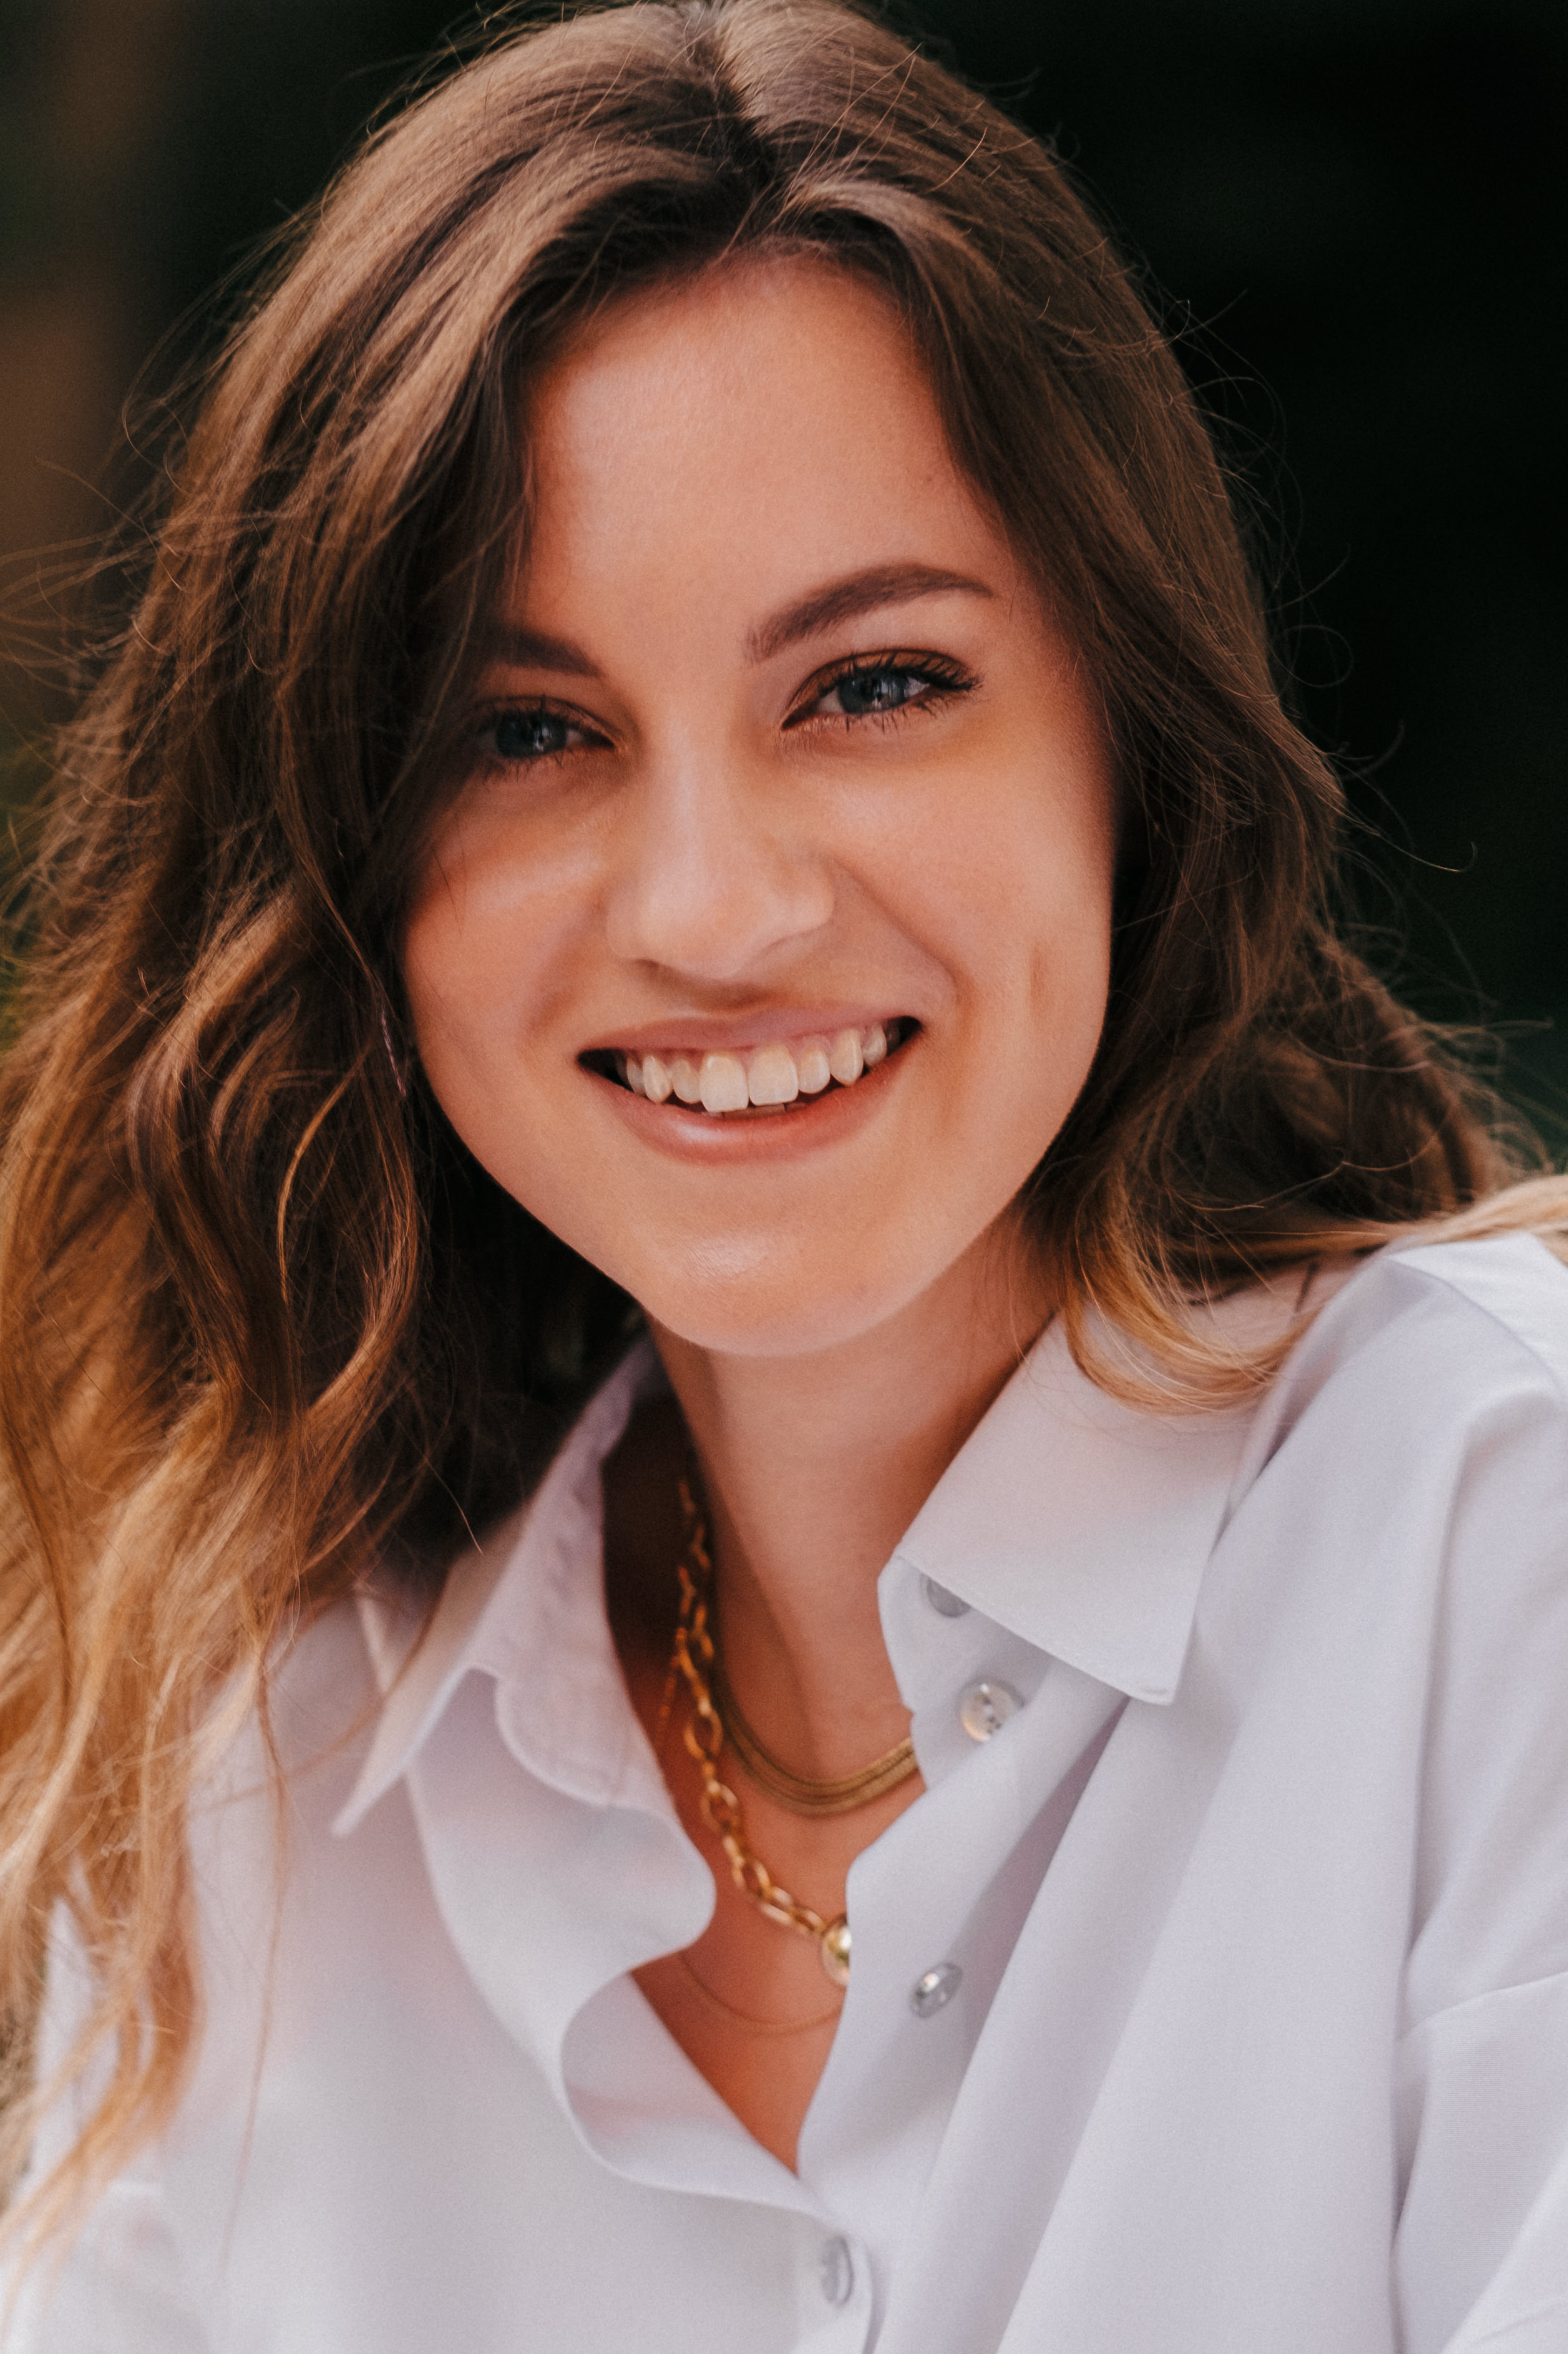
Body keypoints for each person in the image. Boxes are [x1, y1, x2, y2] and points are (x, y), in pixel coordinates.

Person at [2, 1, 1566, 2346]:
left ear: (1122, 748)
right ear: (353, 870)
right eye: (527, 732)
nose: (713, 910)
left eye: (871, 684)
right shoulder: (239, 1778)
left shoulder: (1500, 1547)